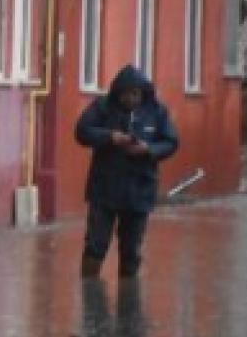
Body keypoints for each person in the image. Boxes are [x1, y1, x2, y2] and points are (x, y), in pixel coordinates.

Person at [74, 64, 179, 278]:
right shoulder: (103, 106)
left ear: (142, 93)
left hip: (139, 190)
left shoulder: (157, 111)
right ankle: (90, 294)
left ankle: (129, 300)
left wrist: (149, 149)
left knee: (131, 250)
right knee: (96, 244)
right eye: (126, 94)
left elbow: (171, 142)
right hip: (105, 189)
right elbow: (82, 131)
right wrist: (110, 137)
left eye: (135, 94)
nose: (130, 99)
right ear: (118, 92)